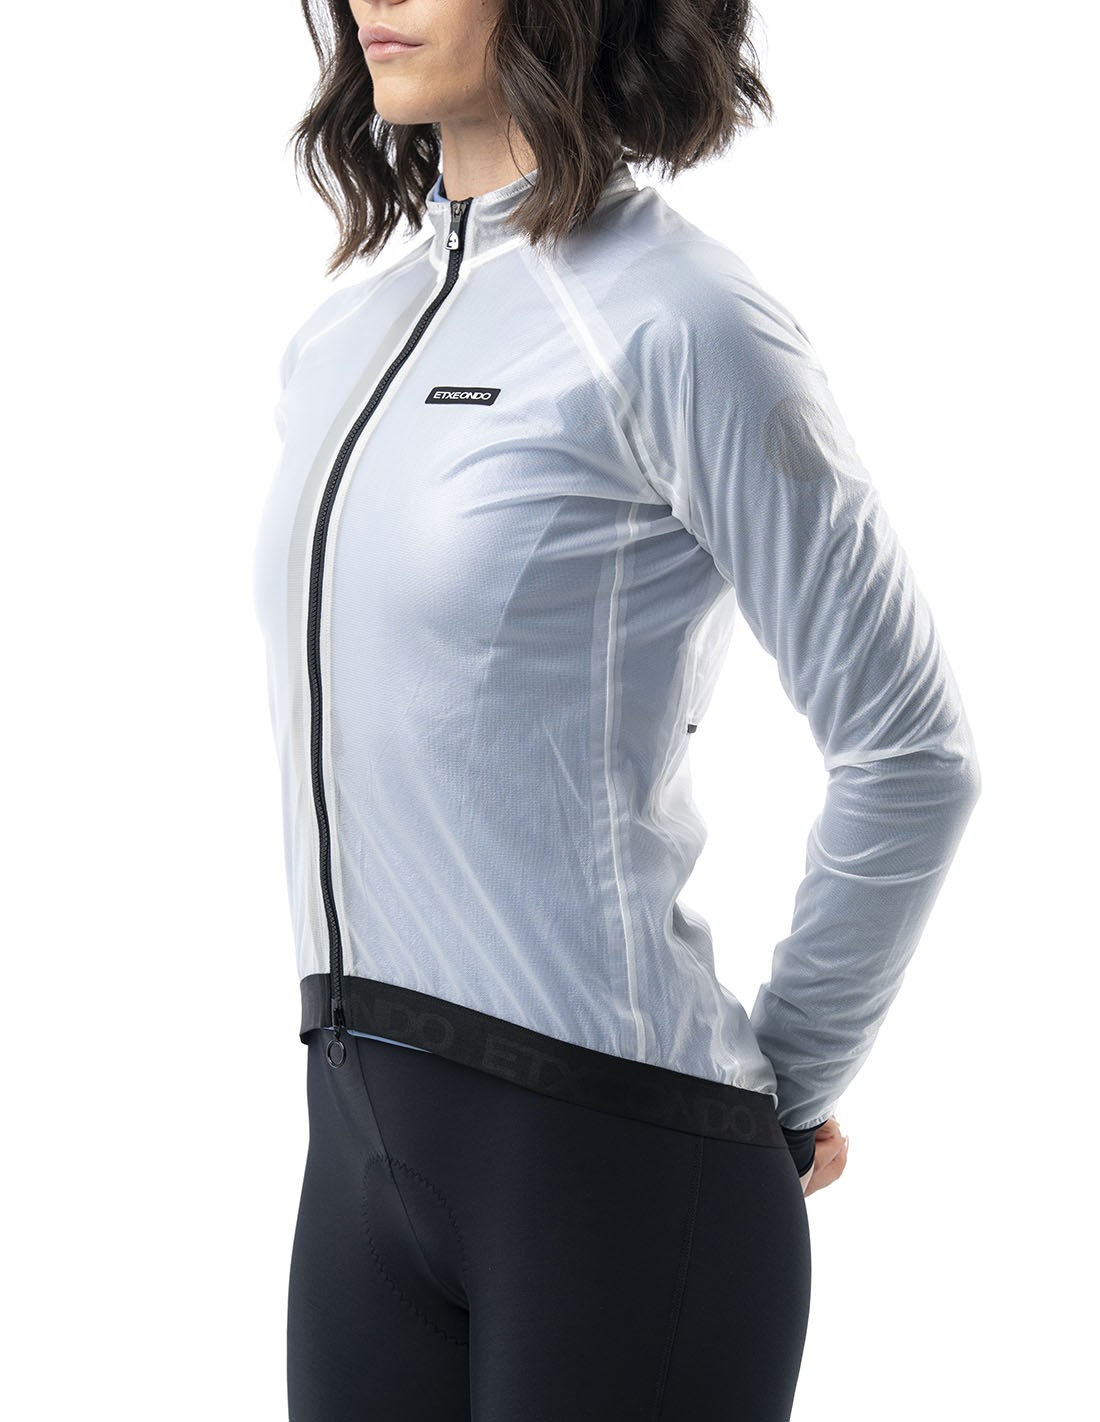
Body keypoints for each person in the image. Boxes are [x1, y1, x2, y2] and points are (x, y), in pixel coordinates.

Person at [252, 2, 982, 1417]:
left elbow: (910, 749)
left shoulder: (680, 316)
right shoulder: (342, 338)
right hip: (355, 1153)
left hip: (618, 1163)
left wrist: (784, 1083)